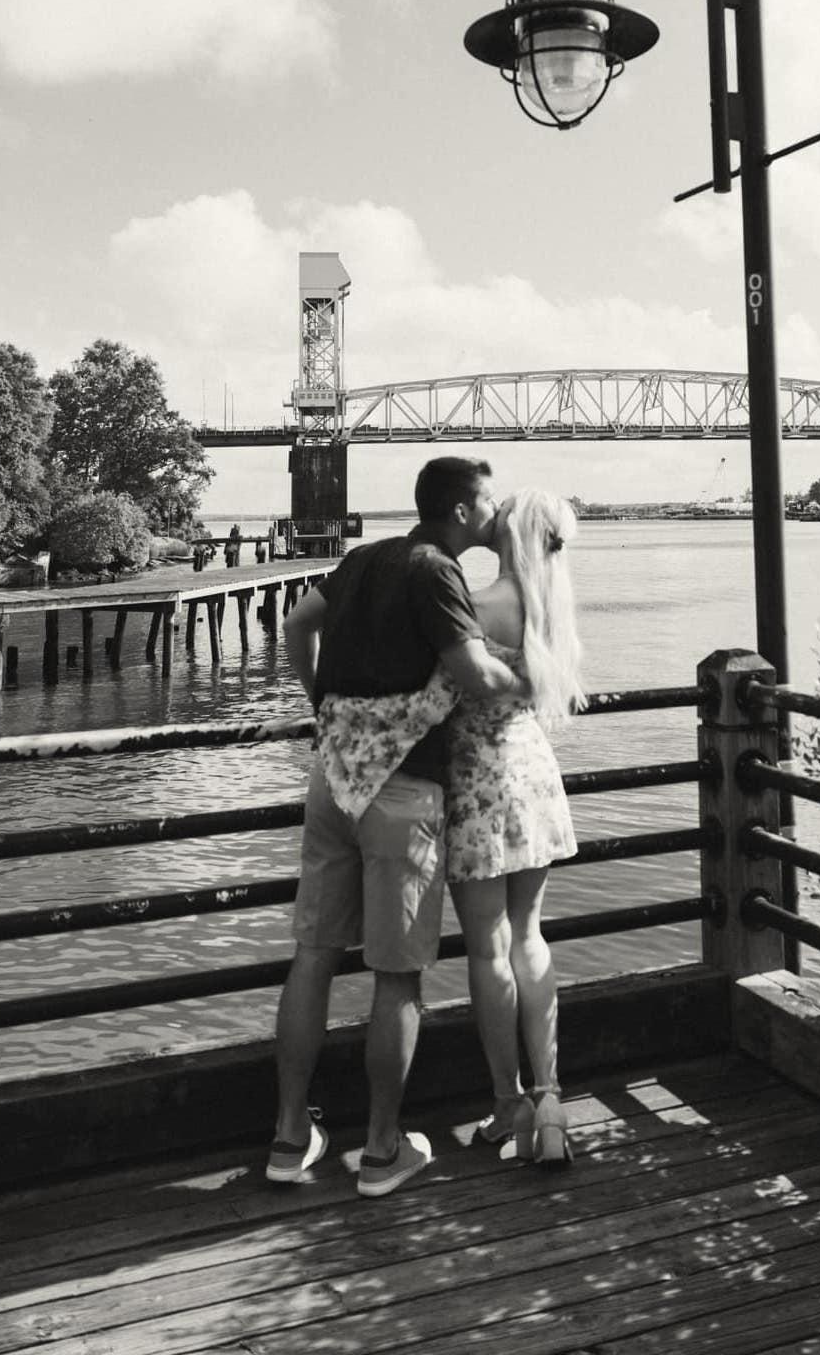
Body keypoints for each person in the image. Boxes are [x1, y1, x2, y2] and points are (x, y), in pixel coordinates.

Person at [267, 457, 525, 1199]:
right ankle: (382, 1151)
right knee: (398, 974)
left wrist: (323, 702)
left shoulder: (362, 558)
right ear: (461, 511)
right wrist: (536, 678)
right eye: (488, 502)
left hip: (330, 779)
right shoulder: (437, 570)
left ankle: (289, 1137)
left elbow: (298, 623)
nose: (495, 512)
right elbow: (474, 673)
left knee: (313, 955)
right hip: (403, 790)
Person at [445, 488, 587, 1167]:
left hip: (478, 780)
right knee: (529, 936)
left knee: (487, 949)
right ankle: (551, 1096)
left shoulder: (475, 607)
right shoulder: (553, 607)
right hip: (534, 773)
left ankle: (509, 1104)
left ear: (507, 532)